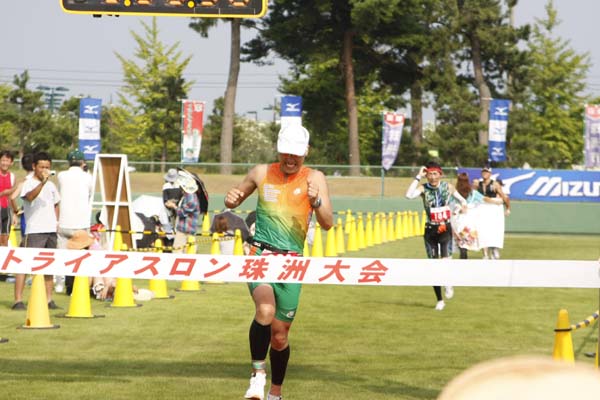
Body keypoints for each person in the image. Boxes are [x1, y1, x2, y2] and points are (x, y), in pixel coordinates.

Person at [224, 124, 333, 400]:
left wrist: (316, 201)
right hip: (261, 255)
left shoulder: (315, 178)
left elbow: (328, 223)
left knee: (280, 337)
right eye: (286, 152)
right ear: (278, 150)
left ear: (306, 152)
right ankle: (257, 376)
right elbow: (234, 199)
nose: (290, 158)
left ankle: (276, 393)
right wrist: (231, 198)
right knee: (265, 309)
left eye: (296, 153)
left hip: (293, 263)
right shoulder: (261, 173)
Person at [406, 161, 467, 311]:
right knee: (433, 266)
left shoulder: (448, 187)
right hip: (430, 230)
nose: (432, 177)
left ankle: (448, 283)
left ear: (440, 174)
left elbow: (462, 200)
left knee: (446, 261)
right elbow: (408, 196)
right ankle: (439, 300)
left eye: (435, 174)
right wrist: (418, 176)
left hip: (445, 229)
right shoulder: (423, 188)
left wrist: (461, 208)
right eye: (429, 174)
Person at [17, 152, 61, 310]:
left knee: (49, 266)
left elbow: (56, 203)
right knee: (26, 264)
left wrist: (56, 222)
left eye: (47, 167)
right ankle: (18, 300)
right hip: (34, 230)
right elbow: (29, 197)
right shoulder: (28, 183)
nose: (44, 170)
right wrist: (42, 182)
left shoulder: (52, 185)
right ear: (34, 166)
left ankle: (48, 299)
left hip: (50, 230)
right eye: (41, 167)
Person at [57, 149, 93, 295]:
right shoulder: (88, 177)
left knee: (62, 255)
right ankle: (75, 287)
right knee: (80, 257)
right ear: (82, 162)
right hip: (81, 223)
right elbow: (90, 193)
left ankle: (60, 283)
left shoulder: (61, 175)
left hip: (64, 221)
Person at [473, 165, 510, 259]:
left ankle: (494, 248)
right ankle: (485, 254)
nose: (484, 173)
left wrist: (508, 208)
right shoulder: (478, 184)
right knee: (482, 231)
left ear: (490, 173)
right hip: (481, 209)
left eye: (486, 172)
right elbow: (473, 195)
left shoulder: (495, 184)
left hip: (493, 209)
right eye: (483, 172)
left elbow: (504, 196)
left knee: (494, 230)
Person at [451, 173, 485, 259]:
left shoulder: (454, 193)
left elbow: (450, 204)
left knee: (460, 242)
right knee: (466, 242)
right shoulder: (473, 193)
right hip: (469, 221)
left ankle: (463, 254)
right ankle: (464, 255)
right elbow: (484, 200)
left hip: (458, 220)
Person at [165, 172, 200, 253]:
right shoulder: (187, 195)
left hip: (187, 231)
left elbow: (182, 212)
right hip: (183, 230)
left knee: (179, 253)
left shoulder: (191, 197)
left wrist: (173, 206)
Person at [0, 150, 18, 247]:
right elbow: (7, 193)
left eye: (7, 161)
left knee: (5, 240)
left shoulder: (12, 176)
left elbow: (12, 197)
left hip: (7, 210)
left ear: (11, 162)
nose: (5, 163)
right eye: (3, 160)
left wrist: (15, 214)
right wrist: (3, 193)